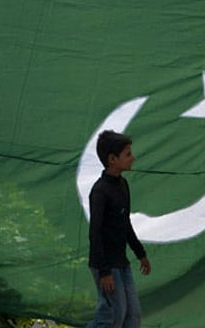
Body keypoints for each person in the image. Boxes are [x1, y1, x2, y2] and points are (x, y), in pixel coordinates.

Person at [87, 130, 151, 328]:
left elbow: (125, 224)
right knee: (113, 316)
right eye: (128, 154)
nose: (133, 158)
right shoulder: (99, 192)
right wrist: (104, 272)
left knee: (132, 318)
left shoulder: (123, 185)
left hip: (122, 263)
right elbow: (95, 233)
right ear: (112, 159)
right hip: (105, 264)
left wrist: (140, 253)